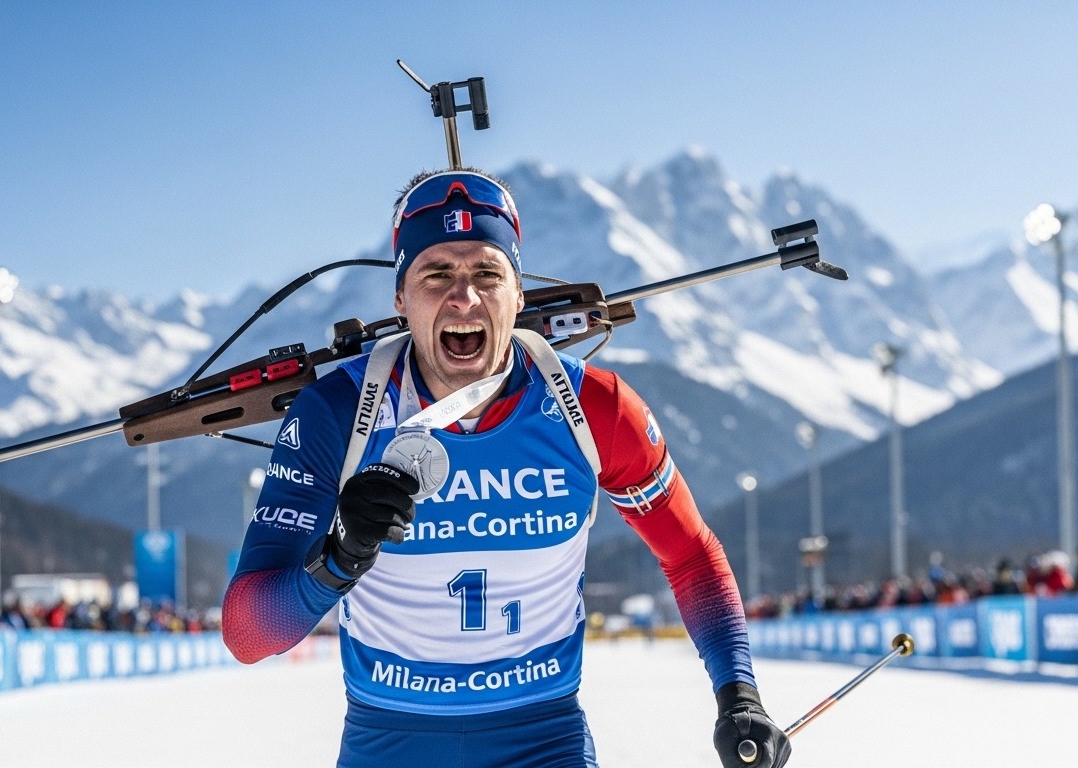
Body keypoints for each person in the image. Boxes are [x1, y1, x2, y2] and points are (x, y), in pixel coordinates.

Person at [222, 168, 789, 768]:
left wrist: (739, 694)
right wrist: (337, 560)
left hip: (543, 738)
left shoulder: (595, 410)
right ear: (400, 298)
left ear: (517, 295)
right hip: (388, 739)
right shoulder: (340, 412)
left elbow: (690, 553)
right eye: (436, 273)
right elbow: (248, 634)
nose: (462, 298)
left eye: (487, 274)